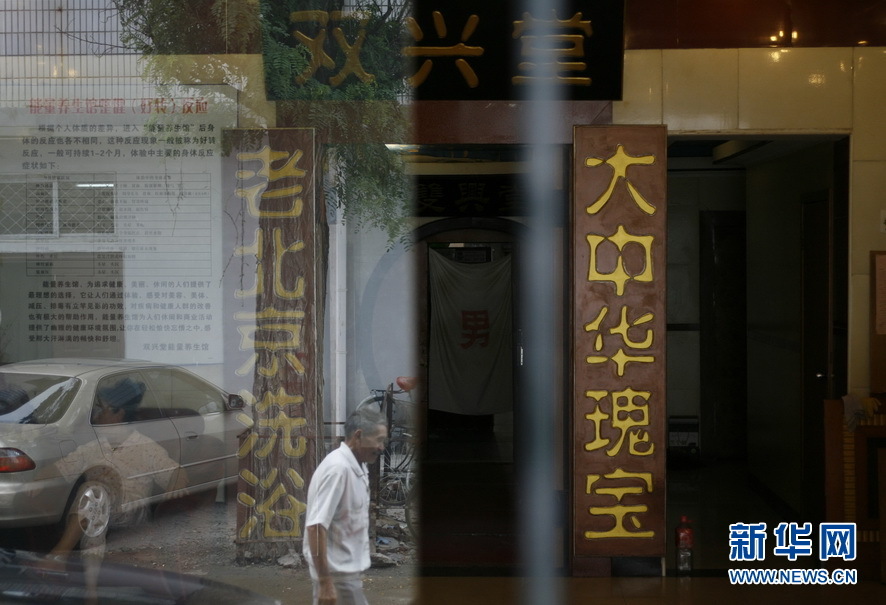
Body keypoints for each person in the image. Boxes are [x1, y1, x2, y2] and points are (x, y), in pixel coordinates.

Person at [303, 408, 388, 605]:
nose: (381, 447)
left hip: (346, 575)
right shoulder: (338, 469)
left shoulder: (358, 465)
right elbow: (315, 527)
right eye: (379, 439)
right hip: (338, 577)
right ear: (358, 436)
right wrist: (325, 582)